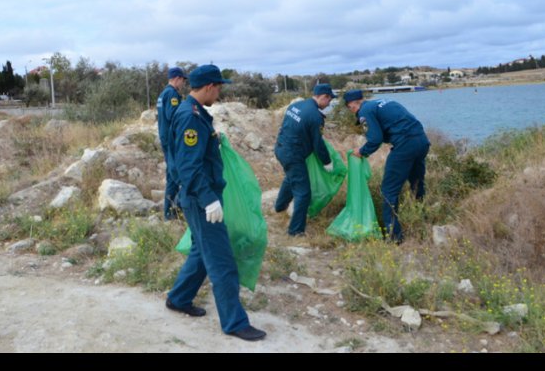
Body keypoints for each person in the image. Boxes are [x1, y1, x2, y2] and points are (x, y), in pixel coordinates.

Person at [165, 64, 266, 342]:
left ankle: (179, 298)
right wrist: (209, 200)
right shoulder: (190, 116)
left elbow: (194, 154)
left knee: (201, 252)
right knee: (221, 260)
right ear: (209, 86)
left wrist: (213, 140)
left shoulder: (196, 114)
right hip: (201, 198)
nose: (219, 93)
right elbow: (188, 166)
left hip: (201, 195)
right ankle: (234, 322)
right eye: (219, 87)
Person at [344, 89, 430, 243]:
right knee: (417, 183)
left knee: (388, 191)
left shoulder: (364, 111)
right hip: (422, 141)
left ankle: (394, 237)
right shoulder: (383, 102)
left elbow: (375, 138)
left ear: (352, 106)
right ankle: (423, 221)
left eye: (351, 109)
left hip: (405, 145)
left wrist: (362, 151)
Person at [273, 83, 336, 236]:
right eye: (329, 100)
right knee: (303, 193)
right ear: (323, 96)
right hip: (293, 155)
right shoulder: (315, 116)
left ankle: (279, 207)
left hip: (280, 148)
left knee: (291, 177)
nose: (329, 104)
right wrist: (327, 162)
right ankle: (296, 231)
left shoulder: (296, 106)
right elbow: (318, 143)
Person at [156, 66, 188, 220]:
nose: (183, 84)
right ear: (177, 79)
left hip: (165, 138)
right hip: (172, 141)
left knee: (172, 173)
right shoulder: (172, 94)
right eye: (183, 80)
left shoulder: (163, 94)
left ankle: (171, 210)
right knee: (176, 174)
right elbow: (174, 116)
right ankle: (173, 211)